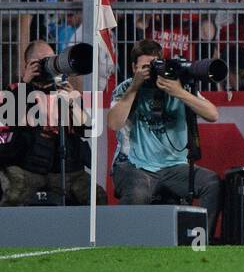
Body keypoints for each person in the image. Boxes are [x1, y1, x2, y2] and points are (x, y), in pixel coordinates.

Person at [107, 40, 222, 235]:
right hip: (136, 166)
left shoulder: (175, 83)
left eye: (154, 66)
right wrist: (134, 87)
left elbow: (213, 115)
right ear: (134, 67)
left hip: (175, 166)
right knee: (138, 193)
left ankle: (201, 243)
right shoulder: (126, 88)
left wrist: (179, 92)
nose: (150, 72)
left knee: (211, 183)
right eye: (145, 67)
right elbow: (113, 124)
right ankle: (123, 244)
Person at [0, 41, 105, 206]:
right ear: (27, 65)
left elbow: (86, 129)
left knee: (96, 196)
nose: (47, 66)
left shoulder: (65, 91)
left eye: (50, 60)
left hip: (65, 170)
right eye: (41, 62)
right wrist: (25, 83)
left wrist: (72, 101)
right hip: (26, 168)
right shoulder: (16, 89)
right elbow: (7, 118)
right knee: (14, 195)